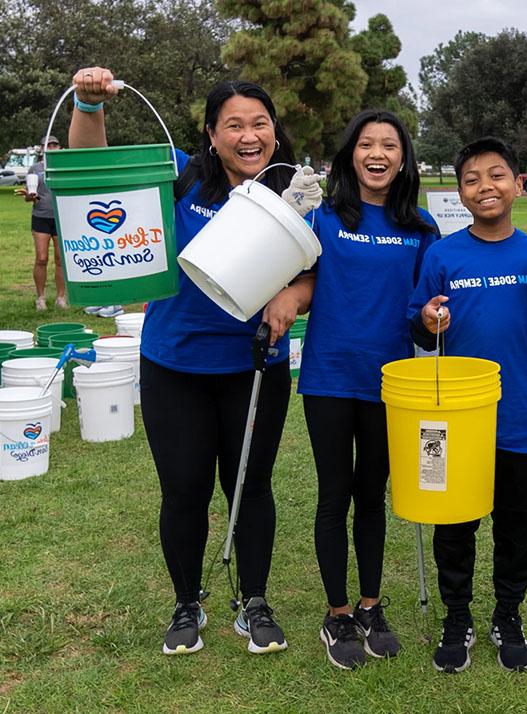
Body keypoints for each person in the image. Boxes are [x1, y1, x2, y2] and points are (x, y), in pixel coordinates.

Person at [69, 66, 319, 656]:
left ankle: (253, 601)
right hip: (174, 366)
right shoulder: (180, 178)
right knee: (183, 490)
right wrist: (89, 104)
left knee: (250, 488)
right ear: (211, 135)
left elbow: (311, 270)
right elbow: (93, 164)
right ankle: (187, 604)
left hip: (256, 368)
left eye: (260, 123)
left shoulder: (293, 193)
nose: (249, 135)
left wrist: (294, 296)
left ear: (275, 133)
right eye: (233, 125)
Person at [408, 137, 527, 674]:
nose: (486, 187)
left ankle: (508, 614)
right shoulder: (443, 254)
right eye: (472, 179)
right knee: (453, 525)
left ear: (519, 186)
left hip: (518, 419)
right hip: (452, 419)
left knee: (515, 528)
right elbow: (418, 324)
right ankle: (458, 616)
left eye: (497, 175)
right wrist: (429, 318)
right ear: (460, 192)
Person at [293, 110, 439, 670]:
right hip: (329, 378)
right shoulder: (323, 218)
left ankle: (371, 605)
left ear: (404, 158)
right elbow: (293, 279)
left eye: (390, 145)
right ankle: (336, 614)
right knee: (334, 494)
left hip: (390, 385)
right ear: (350, 153)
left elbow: (420, 313)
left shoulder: (420, 227)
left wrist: (430, 317)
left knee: (371, 494)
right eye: (366, 143)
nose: (377, 153)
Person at [16, 135, 67, 311]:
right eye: (48, 145)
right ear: (42, 149)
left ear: (60, 148)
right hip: (41, 216)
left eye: (55, 145)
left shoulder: (64, 167)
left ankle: (61, 298)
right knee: (42, 258)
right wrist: (30, 197)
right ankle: (41, 298)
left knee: (61, 260)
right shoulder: (35, 169)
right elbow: (31, 195)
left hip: (61, 217)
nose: (51, 147)